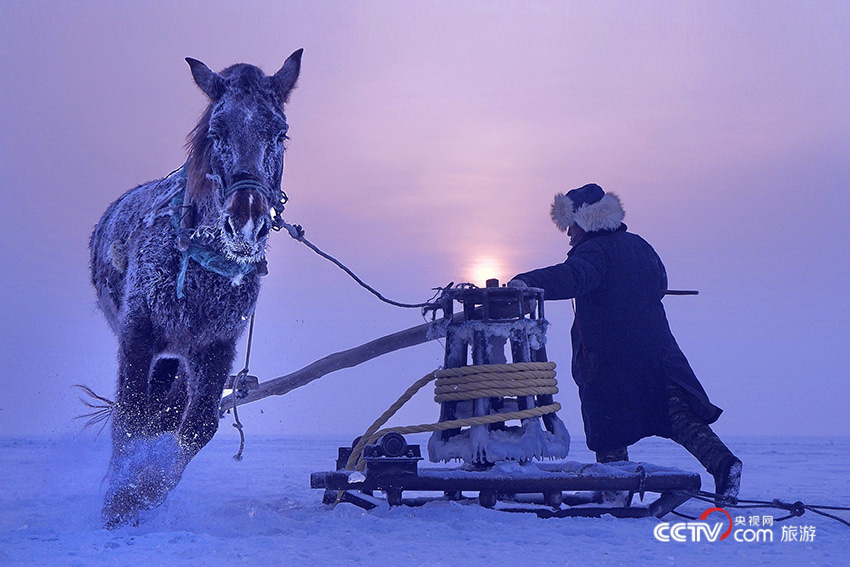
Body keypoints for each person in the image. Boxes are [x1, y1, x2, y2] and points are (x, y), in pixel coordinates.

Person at [509, 183, 741, 502]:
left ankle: (614, 493)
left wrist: (528, 282)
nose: (568, 235)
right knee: (678, 418)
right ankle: (725, 465)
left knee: (609, 429)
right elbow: (661, 282)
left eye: (571, 226)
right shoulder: (640, 246)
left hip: (611, 363)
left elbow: (573, 277)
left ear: (586, 221)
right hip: (657, 356)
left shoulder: (593, 252)